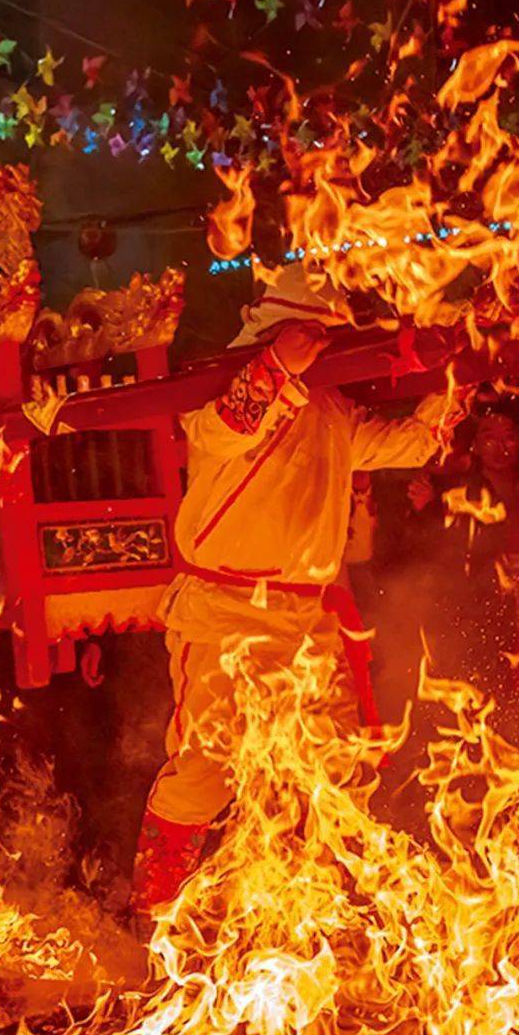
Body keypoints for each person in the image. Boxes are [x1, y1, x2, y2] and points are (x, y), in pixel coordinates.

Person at [131, 265, 469, 925]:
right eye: (311, 337)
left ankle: (327, 913)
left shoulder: (333, 411)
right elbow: (228, 427)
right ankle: (154, 915)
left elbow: (413, 444)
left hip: (308, 616)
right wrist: (276, 367)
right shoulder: (221, 399)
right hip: (226, 613)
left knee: (337, 760)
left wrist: (457, 381)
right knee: (206, 768)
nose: (322, 347)